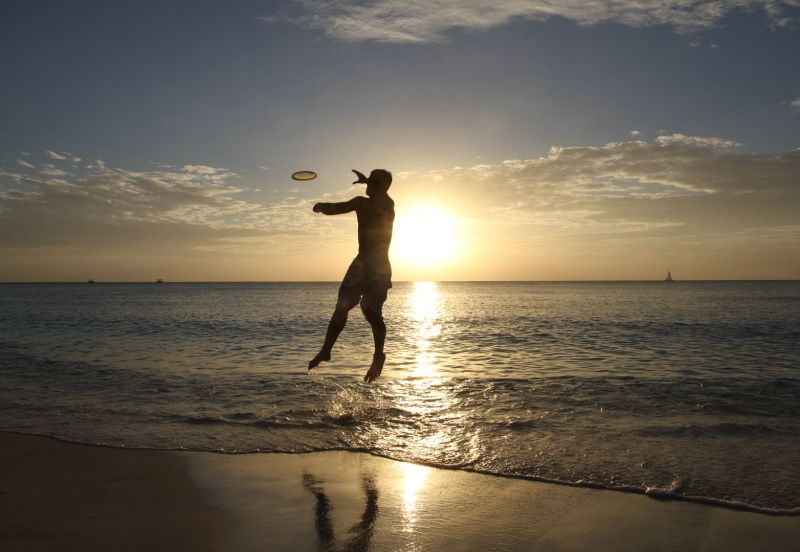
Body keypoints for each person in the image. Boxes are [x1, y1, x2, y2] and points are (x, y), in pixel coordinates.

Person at [308, 169, 395, 382]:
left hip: (365, 264)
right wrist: (371, 182)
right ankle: (374, 355)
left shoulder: (363, 203)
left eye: (371, 180)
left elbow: (336, 208)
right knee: (369, 311)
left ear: (374, 185)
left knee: (347, 307)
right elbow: (381, 195)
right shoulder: (388, 204)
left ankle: (330, 350)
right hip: (379, 265)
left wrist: (320, 206)